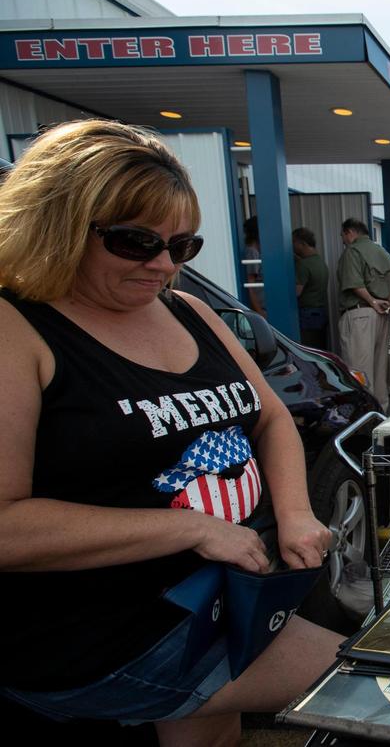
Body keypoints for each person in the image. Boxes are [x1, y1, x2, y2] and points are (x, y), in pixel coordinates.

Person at [0, 120, 340, 742]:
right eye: (135, 242)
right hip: (102, 632)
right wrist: (193, 528)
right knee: (369, 676)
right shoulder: (15, 329)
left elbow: (269, 416)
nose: (162, 265)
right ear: (60, 225)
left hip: (221, 599)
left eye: (182, 247)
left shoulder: (189, 311)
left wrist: (292, 512)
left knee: (215, 737)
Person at [336, 217, 390, 411]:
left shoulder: (352, 252)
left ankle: (364, 414)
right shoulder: (383, 252)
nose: (343, 240)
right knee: (380, 367)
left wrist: (373, 301)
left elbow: (354, 282)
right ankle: (380, 409)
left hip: (360, 314)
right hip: (382, 315)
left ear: (350, 232)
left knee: (359, 368)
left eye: (343, 235)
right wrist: (387, 300)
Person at [292, 227, 329, 349]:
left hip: (307, 315)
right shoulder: (320, 262)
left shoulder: (303, 265)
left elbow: (296, 292)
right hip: (320, 313)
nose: (292, 246)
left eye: (294, 243)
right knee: (318, 348)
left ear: (302, 243)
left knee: (307, 349)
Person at [242, 216, 267, 317]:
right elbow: (250, 285)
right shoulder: (252, 253)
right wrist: (259, 312)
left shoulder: (258, 252)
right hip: (261, 310)